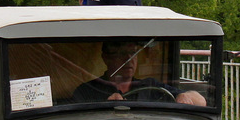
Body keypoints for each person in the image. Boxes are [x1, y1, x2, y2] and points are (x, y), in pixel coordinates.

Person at [72, 40, 206, 106]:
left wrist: (183, 96)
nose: (128, 60)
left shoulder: (150, 86)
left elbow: (201, 102)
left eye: (132, 54)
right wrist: (104, 108)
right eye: (122, 54)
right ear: (106, 57)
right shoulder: (87, 91)